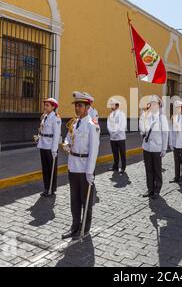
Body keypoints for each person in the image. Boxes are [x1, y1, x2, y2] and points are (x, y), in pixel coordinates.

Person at [61, 92, 100, 241]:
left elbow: (94, 150)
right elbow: (68, 136)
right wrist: (65, 143)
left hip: (85, 167)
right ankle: (74, 226)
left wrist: (90, 172)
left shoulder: (92, 126)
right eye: (76, 105)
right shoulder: (74, 122)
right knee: (74, 200)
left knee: (86, 200)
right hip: (73, 165)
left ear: (88, 107)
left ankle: (85, 228)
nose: (77, 108)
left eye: (80, 106)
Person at [139, 95, 169, 199]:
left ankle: (157, 189)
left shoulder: (162, 117)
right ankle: (150, 189)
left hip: (157, 147)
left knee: (157, 170)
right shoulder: (146, 115)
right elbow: (142, 129)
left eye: (154, 103)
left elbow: (165, 134)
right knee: (148, 169)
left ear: (159, 104)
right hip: (147, 147)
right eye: (151, 103)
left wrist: (164, 148)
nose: (152, 105)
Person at [35, 98, 62, 197]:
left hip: (50, 146)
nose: (45, 107)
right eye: (45, 105)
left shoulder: (56, 118)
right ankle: (46, 187)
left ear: (53, 107)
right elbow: (41, 129)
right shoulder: (45, 116)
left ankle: (51, 188)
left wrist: (54, 149)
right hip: (43, 144)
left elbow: (56, 134)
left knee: (51, 168)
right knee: (45, 168)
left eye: (47, 105)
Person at [106, 98, 127, 174]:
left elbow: (122, 125)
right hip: (112, 138)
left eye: (113, 104)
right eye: (111, 104)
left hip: (120, 137)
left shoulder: (122, 114)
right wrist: (112, 133)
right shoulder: (110, 115)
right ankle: (115, 166)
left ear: (117, 105)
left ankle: (123, 166)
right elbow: (108, 125)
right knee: (115, 153)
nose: (111, 106)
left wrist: (115, 133)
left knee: (122, 153)